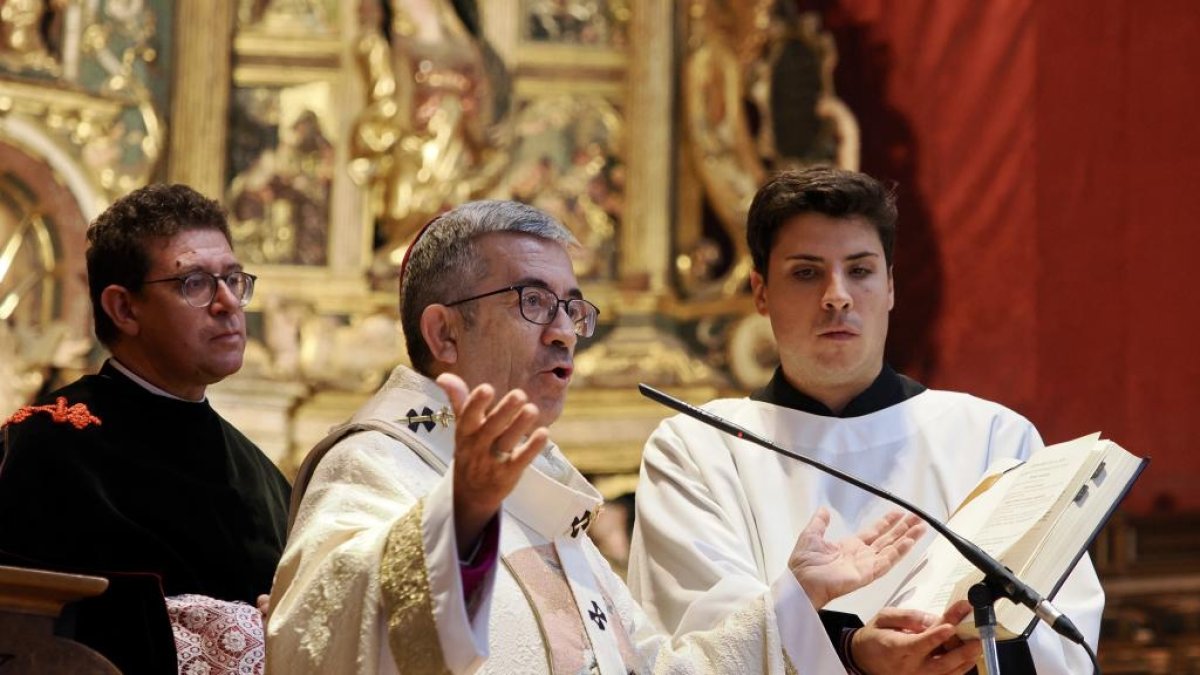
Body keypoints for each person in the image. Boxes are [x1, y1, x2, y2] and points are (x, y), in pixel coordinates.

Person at [266, 199, 929, 674]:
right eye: (532, 300)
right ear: (444, 333)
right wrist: (461, 514)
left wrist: (796, 597)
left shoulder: (544, 496)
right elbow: (318, 638)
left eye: (573, 308)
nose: (563, 331)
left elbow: (662, 668)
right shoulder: (373, 463)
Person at [627, 167, 1104, 674]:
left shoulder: (995, 438)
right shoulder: (698, 446)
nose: (837, 296)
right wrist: (852, 652)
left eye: (859, 270)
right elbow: (696, 641)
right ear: (761, 291)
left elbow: (1064, 633)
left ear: (891, 286)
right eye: (807, 273)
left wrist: (952, 650)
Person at [0, 184, 291, 674]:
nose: (228, 303)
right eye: (194, 283)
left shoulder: (262, 475)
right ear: (124, 308)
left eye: (233, 278)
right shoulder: (49, 445)